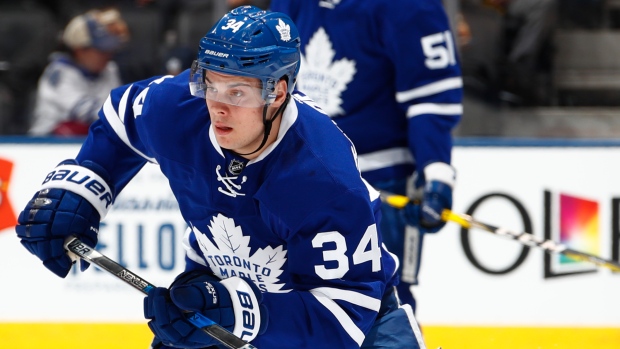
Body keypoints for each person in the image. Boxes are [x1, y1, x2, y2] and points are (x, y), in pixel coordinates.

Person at [15, 6, 427, 349]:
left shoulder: (322, 175)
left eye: (238, 93)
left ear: (277, 93)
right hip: (217, 290)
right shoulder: (181, 107)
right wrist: (83, 188)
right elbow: (121, 119)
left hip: (353, 325)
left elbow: (343, 317)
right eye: (211, 85)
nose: (218, 107)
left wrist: (237, 311)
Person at [269, 0, 463, 313]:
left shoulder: (411, 7)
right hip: (302, 174)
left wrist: (436, 173)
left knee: (384, 301)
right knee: (295, 295)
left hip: (382, 180)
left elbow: (432, 99)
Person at [28, 7, 129, 136]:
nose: (107, 55)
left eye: (109, 50)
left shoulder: (109, 69)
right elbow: (85, 112)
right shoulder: (59, 72)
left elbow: (116, 106)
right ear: (80, 50)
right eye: (101, 50)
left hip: (89, 140)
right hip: (47, 143)